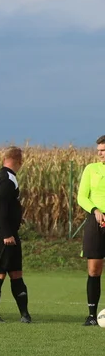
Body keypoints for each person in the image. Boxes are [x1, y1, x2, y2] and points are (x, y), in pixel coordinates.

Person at [0, 147, 31, 323]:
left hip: (9, 231)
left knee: (16, 272)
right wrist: (6, 233)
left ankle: (25, 315)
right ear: (18, 160)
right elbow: (1, 207)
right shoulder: (7, 178)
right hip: (1, 233)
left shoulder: (0, 176)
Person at [77, 135, 105, 325]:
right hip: (96, 223)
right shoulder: (91, 169)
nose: (100, 154)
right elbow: (82, 197)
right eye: (99, 151)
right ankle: (92, 316)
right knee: (94, 270)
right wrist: (95, 210)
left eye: (103, 151)